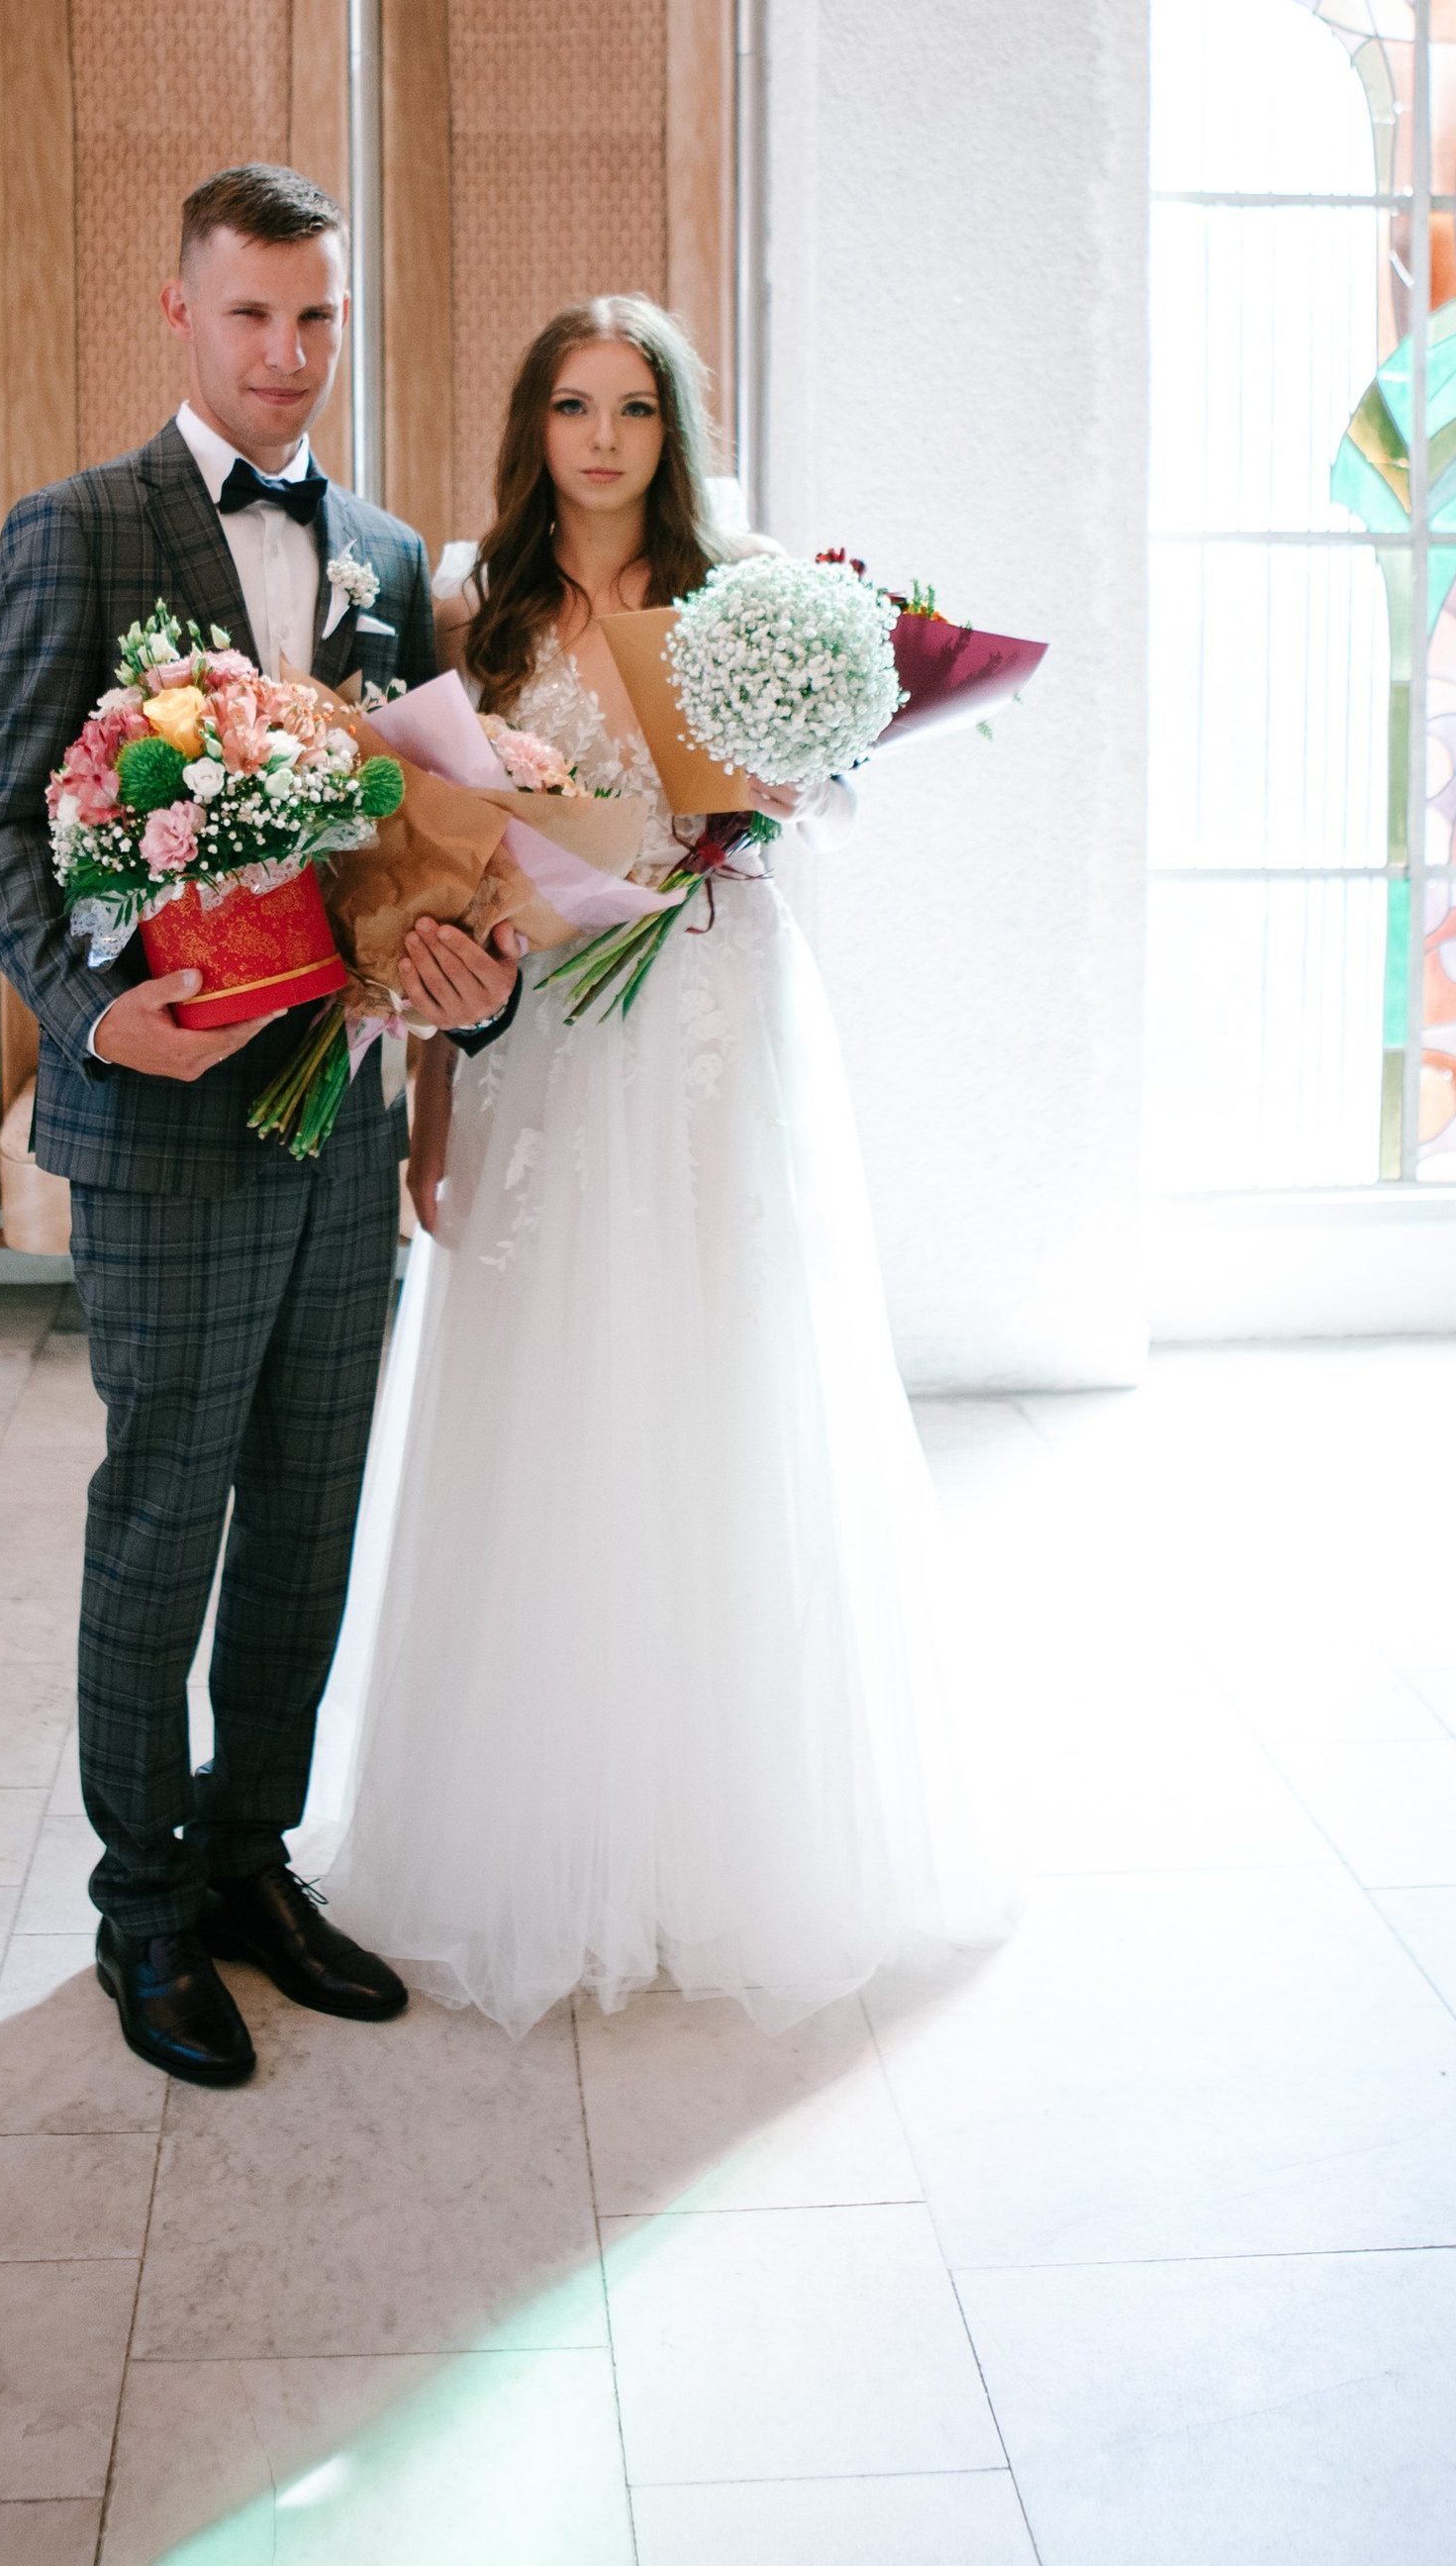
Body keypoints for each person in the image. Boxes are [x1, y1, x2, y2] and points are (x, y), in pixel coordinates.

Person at [304, 295, 1007, 2032]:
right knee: (557, 1388)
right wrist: (438, 1112)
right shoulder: (478, 606)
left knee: (727, 1376)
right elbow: (449, 869)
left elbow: (832, 789)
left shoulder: (752, 588)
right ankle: (547, 1827)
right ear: (533, 425)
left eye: (633, 405)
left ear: (673, 427)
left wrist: (756, 798)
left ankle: (737, 1833)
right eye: (570, 403)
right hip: (550, 1027)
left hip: (716, 1019)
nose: (602, 437)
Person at [0, 162, 522, 2092]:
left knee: (303, 1516)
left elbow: (419, 832)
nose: (288, 353)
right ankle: (140, 1914)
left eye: (319, 317)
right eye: (253, 313)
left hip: (340, 1120)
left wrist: (469, 950)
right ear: (181, 313)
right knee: (165, 1511)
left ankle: (249, 1860)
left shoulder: (381, 545)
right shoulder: (77, 531)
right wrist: (86, 1004)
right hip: (169, 1115)